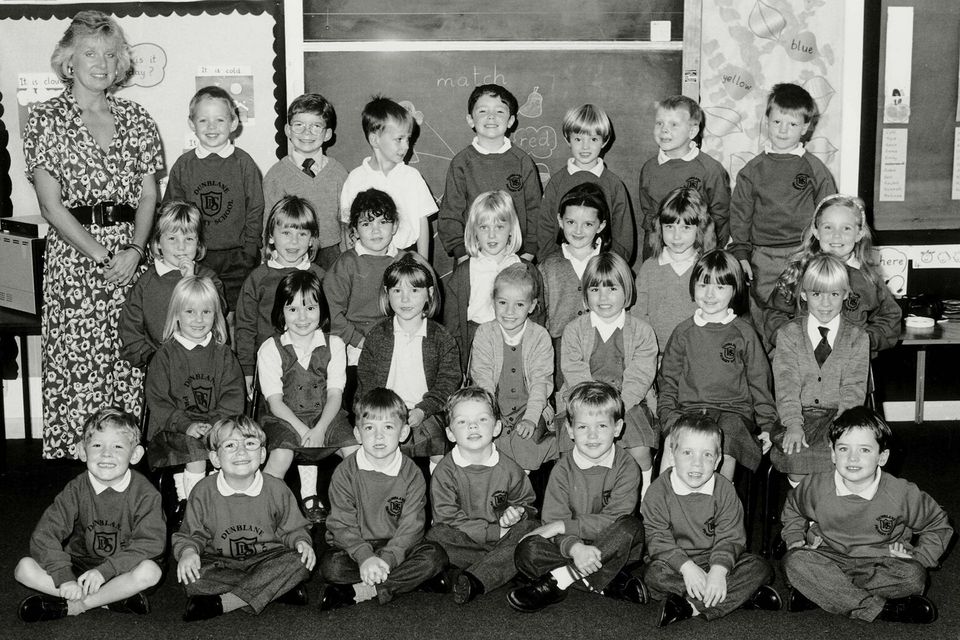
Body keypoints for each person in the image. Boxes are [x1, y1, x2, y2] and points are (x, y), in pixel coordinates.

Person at [23, 10, 162, 459]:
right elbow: (50, 206)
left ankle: (128, 476)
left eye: (109, 53)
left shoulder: (137, 117)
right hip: (76, 261)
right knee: (79, 373)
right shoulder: (45, 118)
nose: (100, 62)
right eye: (89, 52)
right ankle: (84, 485)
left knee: (128, 364)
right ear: (68, 60)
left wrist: (135, 250)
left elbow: (147, 196)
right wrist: (105, 256)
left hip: (131, 258)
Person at [781, 407, 953, 624]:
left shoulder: (901, 493)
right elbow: (793, 508)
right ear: (833, 453)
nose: (853, 458)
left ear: (882, 457)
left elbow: (938, 524)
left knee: (913, 577)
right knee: (793, 562)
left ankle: (825, 593)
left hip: (880, 561)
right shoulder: (815, 486)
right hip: (831, 556)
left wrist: (920, 557)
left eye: (864, 450)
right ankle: (882, 609)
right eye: (843, 449)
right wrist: (795, 538)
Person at [14, 408, 164, 623]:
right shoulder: (75, 489)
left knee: (150, 572)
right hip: (80, 568)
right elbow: (45, 534)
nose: (106, 454)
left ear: (135, 454)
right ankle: (110, 599)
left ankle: (78, 605)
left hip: (122, 568)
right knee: (24, 568)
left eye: (118, 446)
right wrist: (64, 577)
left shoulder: (146, 494)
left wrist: (106, 571)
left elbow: (150, 543)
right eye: (97, 445)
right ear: (82, 451)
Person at [508, 381, 645, 612]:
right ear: (570, 430)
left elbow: (615, 518)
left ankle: (561, 578)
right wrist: (574, 548)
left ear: (618, 427)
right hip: (571, 547)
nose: (592, 435)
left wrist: (563, 526)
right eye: (582, 427)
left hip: (612, 545)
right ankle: (607, 583)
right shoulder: (561, 470)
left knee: (630, 528)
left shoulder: (627, 466)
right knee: (526, 550)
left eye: (602, 426)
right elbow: (551, 521)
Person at [641, 413, 781, 628]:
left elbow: (732, 537)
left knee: (760, 567)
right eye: (687, 452)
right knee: (654, 575)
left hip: (716, 557)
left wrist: (718, 570)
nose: (696, 463)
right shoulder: (658, 491)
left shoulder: (724, 489)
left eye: (707, 455)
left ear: (717, 460)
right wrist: (687, 567)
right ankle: (736, 595)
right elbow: (657, 539)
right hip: (675, 563)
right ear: (673, 453)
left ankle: (690, 606)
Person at [173, 416, 315, 621]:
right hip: (222, 563)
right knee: (193, 577)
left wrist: (301, 542)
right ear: (214, 459)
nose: (241, 452)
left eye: (250, 444)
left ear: (263, 453)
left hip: (267, 560)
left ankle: (225, 602)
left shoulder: (277, 488)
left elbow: (293, 529)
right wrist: (188, 552)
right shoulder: (203, 491)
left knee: (300, 562)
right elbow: (190, 534)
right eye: (230, 445)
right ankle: (276, 589)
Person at [319, 388, 449, 610]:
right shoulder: (345, 472)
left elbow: (412, 527)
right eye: (369, 428)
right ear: (357, 434)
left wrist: (387, 558)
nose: (378, 437)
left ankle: (362, 590)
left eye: (388, 427)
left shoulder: (412, 473)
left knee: (434, 557)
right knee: (331, 567)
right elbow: (341, 524)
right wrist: (364, 556)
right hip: (356, 546)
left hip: (397, 544)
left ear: (403, 433)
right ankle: (406, 580)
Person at [657, 250, 777, 479]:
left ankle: (720, 505)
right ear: (693, 287)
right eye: (704, 285)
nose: (710, 294)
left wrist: (768, 426)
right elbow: (668, 383)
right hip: (689, 410)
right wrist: (669, 419)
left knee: (726, 439)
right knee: (678, 437)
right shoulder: (683, 332)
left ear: (735, 291)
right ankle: (661, 506)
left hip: (734, 412)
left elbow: (760, 384)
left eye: (720, 287)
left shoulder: (744, 333)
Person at [257, 271, 359, 524]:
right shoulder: (270, 348)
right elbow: (275, 402)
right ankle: (262, 510)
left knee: (356, 451)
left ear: (321, 309)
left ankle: (358, 509)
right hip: (285, 418)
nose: (302, 317)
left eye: (310, 308)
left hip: (327, 414)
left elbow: (335, 394)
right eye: (292, 310)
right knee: (281, 455)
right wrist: (304, 430)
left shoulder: (334, 344)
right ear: (282, 313)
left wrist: (321, 427)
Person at [729, 83, 837, 310]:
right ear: (767, 120)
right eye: (777, 122)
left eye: (793, 124)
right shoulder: (752, 170)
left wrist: (822, 250)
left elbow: (829, 212)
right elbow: (740, 215)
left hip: (803, 254)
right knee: (764, 311)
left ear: (806, 127)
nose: (783, 130)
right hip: (762, 256)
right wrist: (741, 253)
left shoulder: (815, 168)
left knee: (802, 311)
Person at [426, 387, 539, 604]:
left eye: (482, 419)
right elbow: (447, 518)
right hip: (465, 542)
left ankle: (473, 578)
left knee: (533, 529)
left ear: (496, 427)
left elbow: (528, 505)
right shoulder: (444, 471)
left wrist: (517, 512)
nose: (472, 426)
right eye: (462, 422)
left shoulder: (509, 468)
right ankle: (501, 570)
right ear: (450, 433)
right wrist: (493, 532)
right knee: (436, 537)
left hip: (505, 539)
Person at [558, 253, 658, 496]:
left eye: (612, 288)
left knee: (639, 449)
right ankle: (579, 499)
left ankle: (643, 497)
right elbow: (573, 370)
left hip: (627, 402)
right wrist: (594, 407)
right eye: (595, 289)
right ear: (585, 295)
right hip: (581, 401)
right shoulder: (574, 330)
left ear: (626, 292)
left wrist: (617, 406)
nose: (603, 298)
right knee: (568, 449)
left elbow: (641, 375)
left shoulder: (642, 331)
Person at [144, 276, 244, 519]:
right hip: (172, 430)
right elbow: (158, 401)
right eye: (190, 311)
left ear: (216, 315)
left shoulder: (223, 355)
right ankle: (193, 507)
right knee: (197, 452)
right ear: (177, 314)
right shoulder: (165, 355)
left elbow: (233, 396)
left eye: (206, 312)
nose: (198, 320)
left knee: (235, 447)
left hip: (215, 426)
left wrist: (216, 424)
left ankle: (219, 501)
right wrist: (186, 425)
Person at [163, 85, 263, 316]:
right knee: (202, 315)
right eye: (203, 121)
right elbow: (172, 212)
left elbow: (255, 208)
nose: (211, 127)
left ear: (233, 123)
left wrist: (249, 250)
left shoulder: (243, 163)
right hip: (197, 257)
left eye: (219, 120)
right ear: (191, 124)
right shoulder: (184, 165)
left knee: (238, 317)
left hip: (238, 257)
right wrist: (182, 252)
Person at [770, 254, 870, 484]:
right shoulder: (789, 334)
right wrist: (794, 424)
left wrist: (842, 428)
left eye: (834, 294)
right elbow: (786, 384)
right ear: (804, 295)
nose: (825, 304)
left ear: (845, 295)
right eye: (817, 294)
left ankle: (826, 515)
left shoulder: (858, 338)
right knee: (795, 457)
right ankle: (804, 512)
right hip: (797, 414)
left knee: (839, 457)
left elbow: (853, 390)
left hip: (839, 416)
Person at [358, 253, 461, 469]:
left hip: (428, 410)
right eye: (397, 291)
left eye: (414, 290)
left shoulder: (441, 337)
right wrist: (375, 413)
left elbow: (448, 381)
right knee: (381, 446)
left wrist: (424, 409)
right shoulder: (377, 336)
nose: (405, 299)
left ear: (429, 294)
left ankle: (439, 490)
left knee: (437, 442)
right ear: (387, 293)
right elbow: (366, 381)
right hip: (386, 412)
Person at [764, 194, 901, 355]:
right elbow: (774, 313)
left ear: (859, 233)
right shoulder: (799, 272)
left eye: (846, 228)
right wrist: (793, 339)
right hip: (803, 364)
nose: (837, 235)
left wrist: (864, 340)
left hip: (852, 367)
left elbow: (890, 317)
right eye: (828, 227)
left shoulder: (867, 278)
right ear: (816, 231)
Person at [468, 264, 558, 472]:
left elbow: (540, 383)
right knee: (489, 445)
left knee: (524, 441)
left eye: (519, 305)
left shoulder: (539, 336)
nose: (509, 312)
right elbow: (483, 380)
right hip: (494, 407)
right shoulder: (484, 333)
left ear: (532, 305)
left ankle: (551, 448)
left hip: (531, 408)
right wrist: (489, 416)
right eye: (502, 303)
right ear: (493, 302)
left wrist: (531, 418)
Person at [438, 84, 541, 261]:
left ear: (510, 120)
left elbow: (536, 210)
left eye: (500, 112)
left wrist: (528, 253)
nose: (491, 117)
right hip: (472, 258)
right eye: (483, 111)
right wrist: (462, 255)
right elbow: (450, 213)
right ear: (470, 120)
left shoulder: (522, 161)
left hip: (517, 258)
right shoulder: (461, 163)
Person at [444, 191, 545, 371]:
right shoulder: (464, 272)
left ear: (511, 230)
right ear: (474, 231)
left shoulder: (527, 270)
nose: (492, 235)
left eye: (499, 227)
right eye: (484, 227)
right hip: (477, 348)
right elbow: (453, 328)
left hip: (518, 348)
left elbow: (538, 318)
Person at [235, 196, 326, 394]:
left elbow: (329, 326)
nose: (294, 241)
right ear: (270, 236)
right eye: (286, 233)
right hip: (269, 370)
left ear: (311, 240)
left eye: (302, 234)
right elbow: (245, 328)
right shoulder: (257, 279)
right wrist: (247, 370)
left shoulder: (320, 277)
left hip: (312, 370)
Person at [119, 200, 225, 369]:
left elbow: (218, 314)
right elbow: (130, 330)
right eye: (172, 238)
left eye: (189, 239)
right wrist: (151, 358)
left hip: (204, 362)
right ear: (158, 243)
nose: (181, 247)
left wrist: (191, 281)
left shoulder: (208, 278)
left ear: (198, 244)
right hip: (161, 367)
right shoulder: (145, 284)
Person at [323, 188, 399, 397]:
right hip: (355, 346)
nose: (376, 230)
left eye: (383, 222)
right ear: (355, 230)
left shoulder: (404, 261)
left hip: (396, 344)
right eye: (367, 224)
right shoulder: (346, 264)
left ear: (395, 226)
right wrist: (359, 341)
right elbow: (330, 312)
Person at [339, 96, 436, 256]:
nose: (406, 146)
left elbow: (422, 223)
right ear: (375, 139)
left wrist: (423, 262)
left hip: (406, 256)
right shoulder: (355, 179)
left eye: (408, 139)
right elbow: (347, 225)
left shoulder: (412, 177)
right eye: (399, 139)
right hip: (367, 257)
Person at [536, 104, 633, 263]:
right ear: (568, 139)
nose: (585, 146)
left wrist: (609, 268)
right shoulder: (557, 182)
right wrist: (552, 265)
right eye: (578, 139)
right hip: (561, 268)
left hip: (602, 272)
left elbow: (624, 235)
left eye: (593, 139)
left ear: (604, 141)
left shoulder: (614, 185)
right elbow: (545, 229)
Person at [263, 93, 347, 270]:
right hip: (291, 253)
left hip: (331, 254)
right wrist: (269, 257)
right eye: (299, 125)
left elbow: (346, 219)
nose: (307, 132)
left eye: (316, 126)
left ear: (327, 134)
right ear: (287, 130)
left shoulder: (339, 172)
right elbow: (268, 224)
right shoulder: (276, 175)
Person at [638, 95, 730, 258]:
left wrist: (711, 254)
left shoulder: (710, 169)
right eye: (660, 123)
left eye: (674, 124)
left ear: (692, 131)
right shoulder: (649, 168)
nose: (664, 129)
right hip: (659, 255)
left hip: (698, 255)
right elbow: (649, 215)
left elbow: (720, 216)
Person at [632, 186, 717, 353]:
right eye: (670, 227)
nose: (676, 236)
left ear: (699, 228)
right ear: (660, 227)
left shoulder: (708, 268)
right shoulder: (649, 268)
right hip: (657, 353)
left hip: (699, 352)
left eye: (686, 228)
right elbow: (638, 315)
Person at [539, 182, 613, 367]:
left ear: (601, 225)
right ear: (560, 220)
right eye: (571, 222)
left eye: (588, 224)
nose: (578, 231)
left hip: (604, 350)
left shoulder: (613, 265)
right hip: (559, 351)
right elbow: (539, 317)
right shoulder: (548, 267)